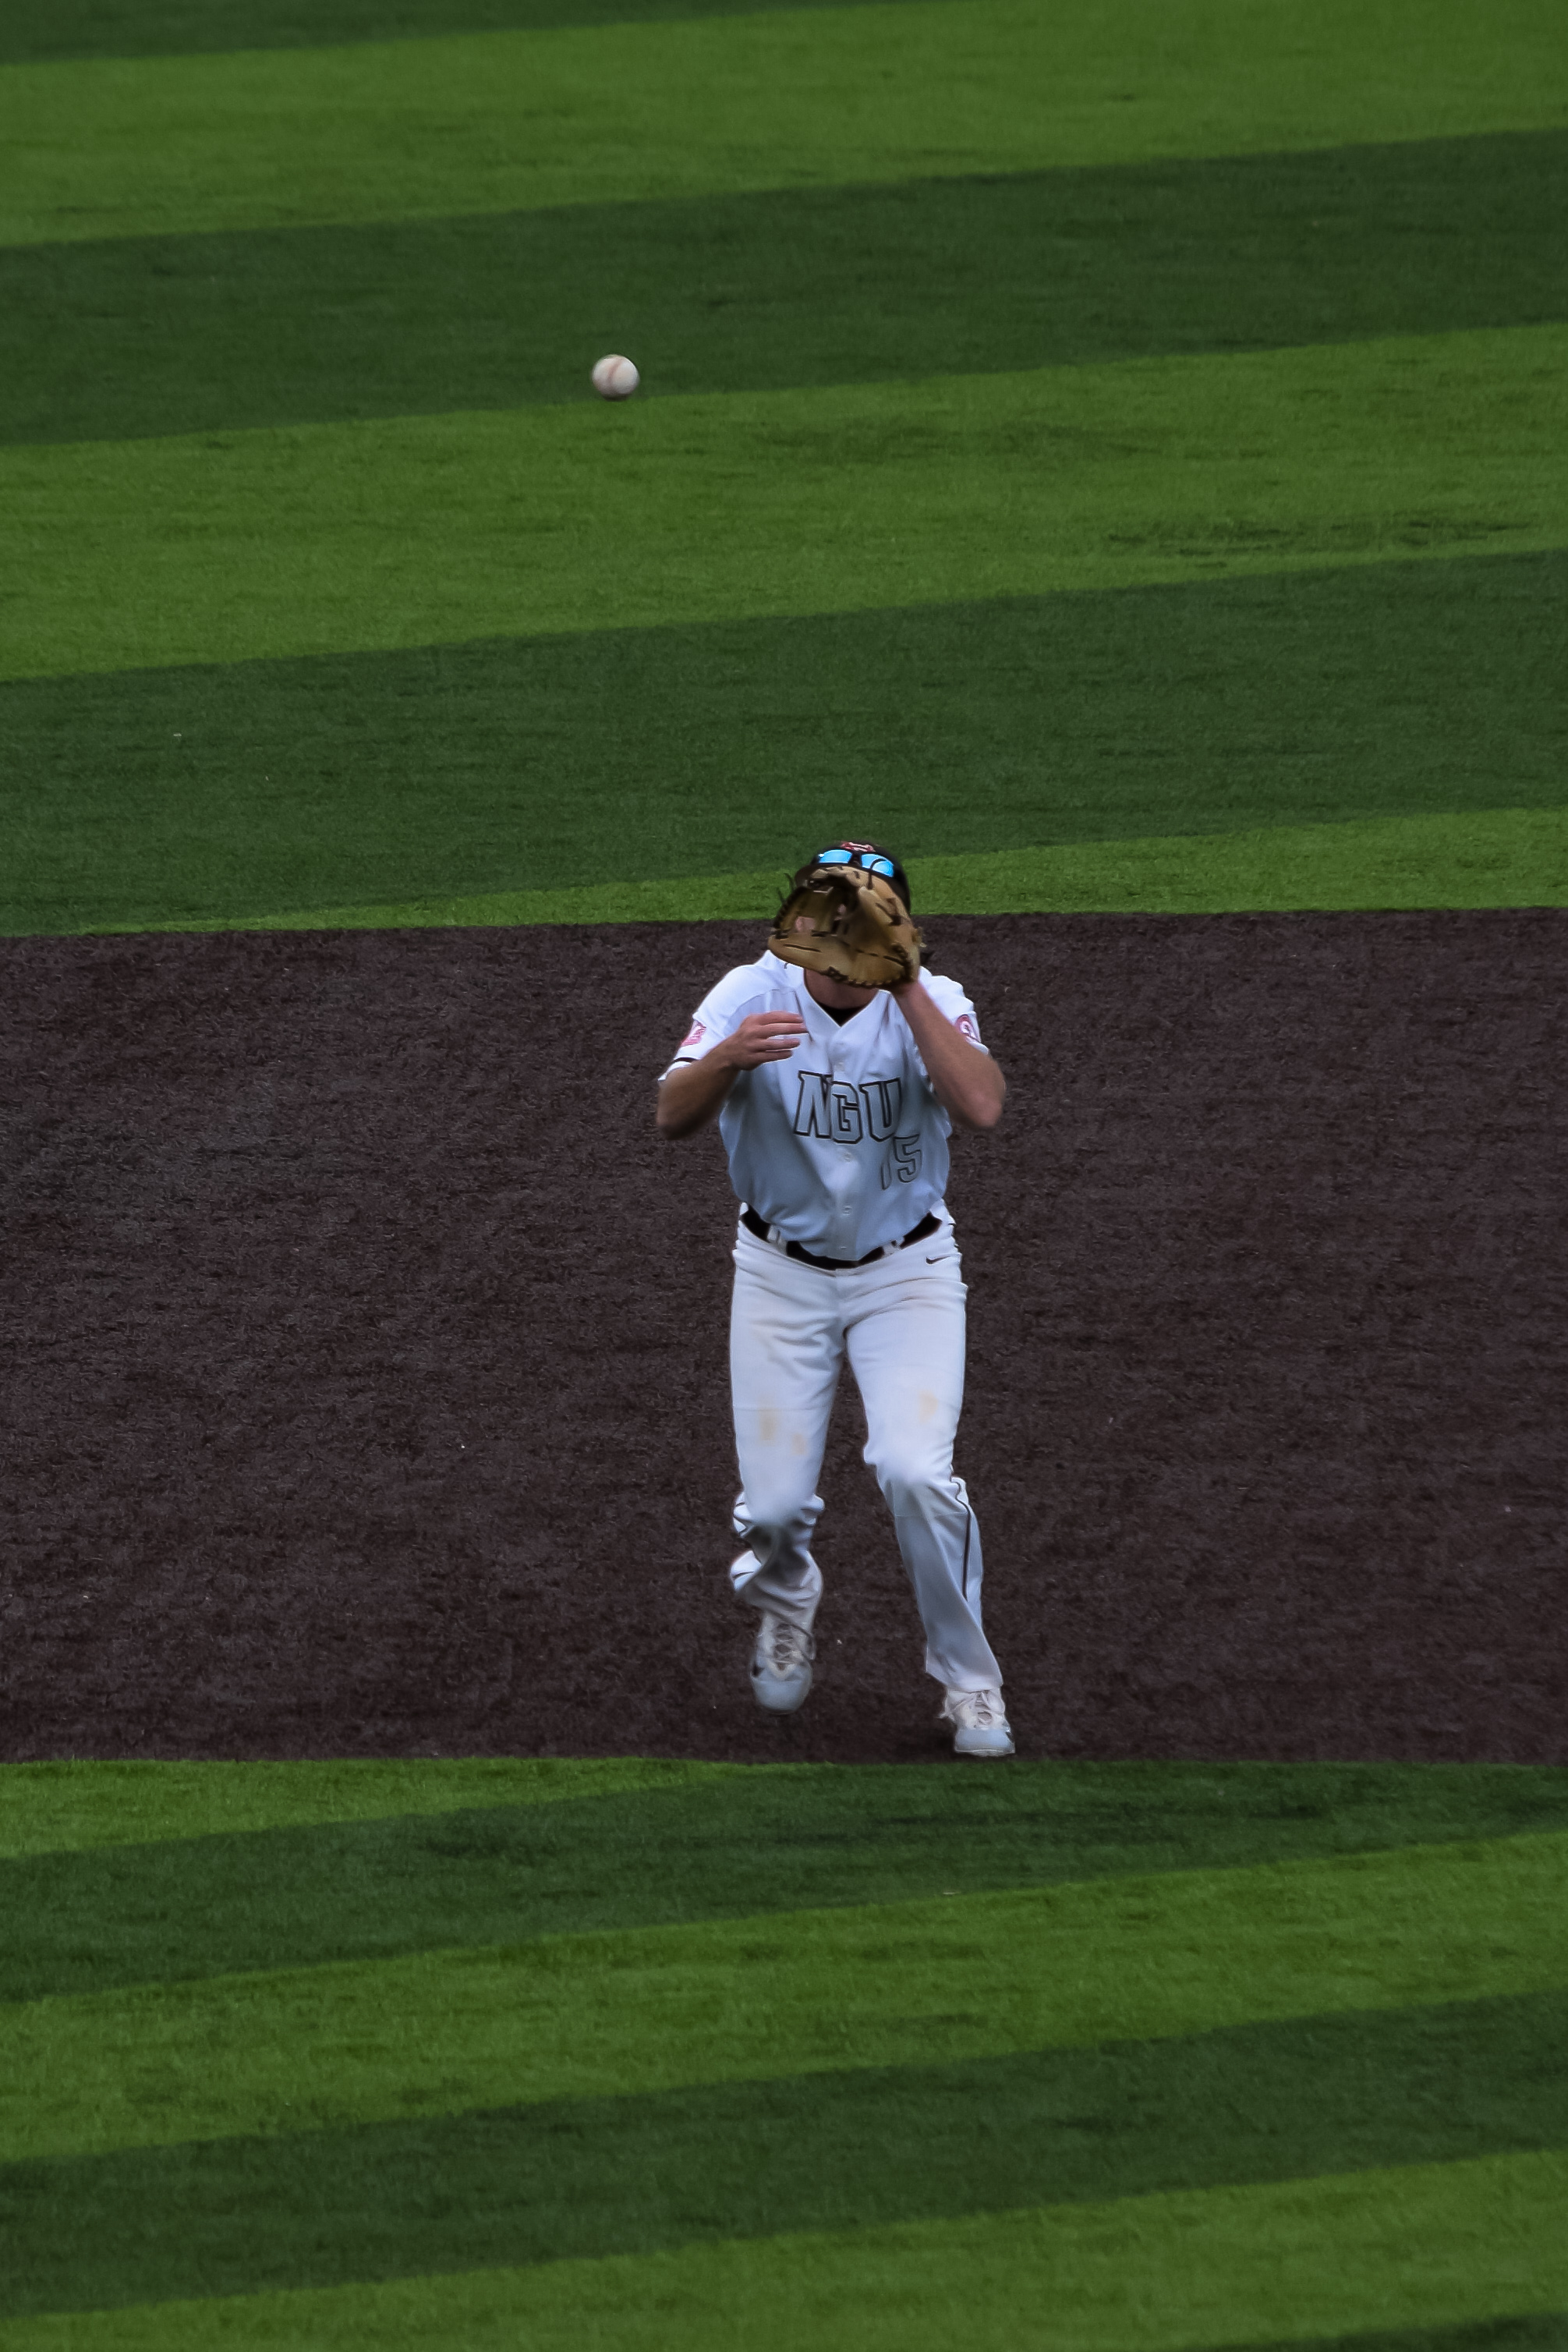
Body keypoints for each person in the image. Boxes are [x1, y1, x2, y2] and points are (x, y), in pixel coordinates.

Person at [656, 840, 1013, 1758]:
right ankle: (784, 1602)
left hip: (907, 1276)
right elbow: (670, 1115)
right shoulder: (749, 994)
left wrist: (906, 986)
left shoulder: (936, 1001)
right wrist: (728, 1057)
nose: (840, 928)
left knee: (915, 1473)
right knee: (772, 1509)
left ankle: (970, 1683)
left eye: (866, 913)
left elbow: (980, 1105)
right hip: (780, 1274)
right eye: (830, 909)